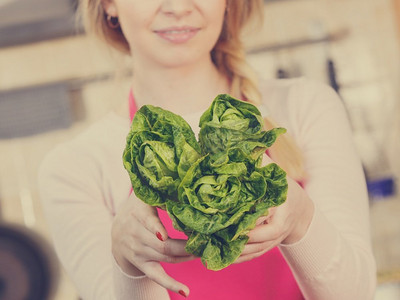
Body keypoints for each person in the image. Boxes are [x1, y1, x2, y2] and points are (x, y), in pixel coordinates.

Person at [38, 0, 377, 299]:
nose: (178, 7)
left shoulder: (307, 107)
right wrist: (130, 265)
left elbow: (356, 294)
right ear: (108, 3)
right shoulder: (72, 169)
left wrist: (301, 218)